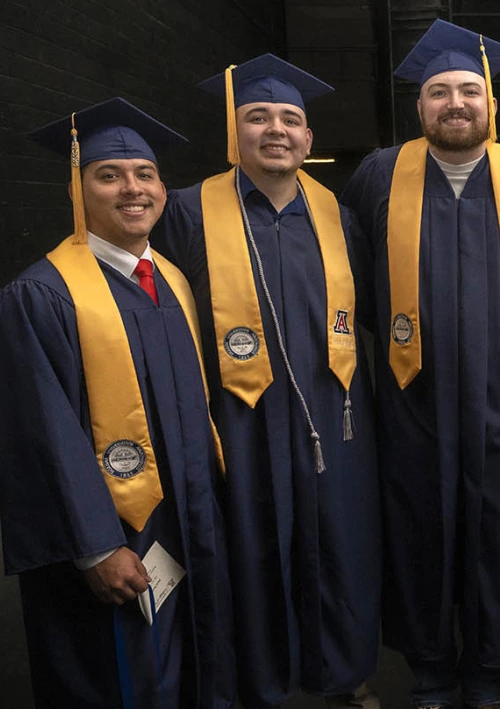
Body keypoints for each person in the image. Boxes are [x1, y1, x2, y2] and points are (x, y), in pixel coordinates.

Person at [338, 19, 500, 709]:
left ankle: (486, 675)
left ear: (491, 101)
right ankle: (432, 677)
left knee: (497, 538)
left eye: (469, 90)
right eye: (440, 92)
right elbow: (356, 287)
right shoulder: (380, 174)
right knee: (420, 538)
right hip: (413, 404)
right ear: (419, 106)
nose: (455, 103)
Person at [150, 55, 381, 709]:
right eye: (257, 117)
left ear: (309, 139)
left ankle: (342, 672)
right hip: (237, 422)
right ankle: (258, 683)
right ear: (234, 132)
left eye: (290, 119)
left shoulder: (339, 215)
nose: (275, 129)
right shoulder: (189, 214)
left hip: (334, 420)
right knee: (249, 550)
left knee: (338, 544)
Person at [0, 98, 234, 708]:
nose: (133, 188)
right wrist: (96, 545)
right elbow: (42, 434)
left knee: (190, 663)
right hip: (111, 536)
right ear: (77, 188)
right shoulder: (41, 296)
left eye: (145, 174)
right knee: (117, 675)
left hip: (184, 520)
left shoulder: (173, 281)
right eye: (109, 175)